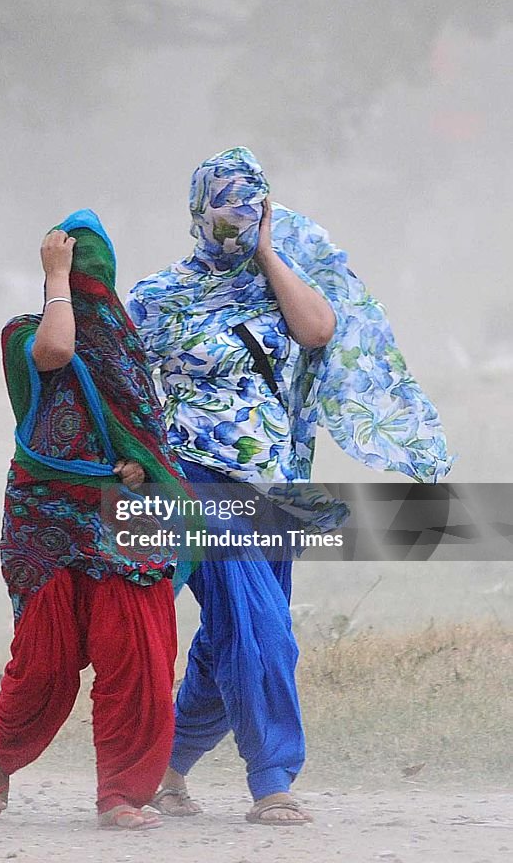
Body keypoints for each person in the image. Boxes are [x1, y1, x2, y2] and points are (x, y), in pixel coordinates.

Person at [126, 147, 453, 826]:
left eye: (253, 207)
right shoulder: (158, 299)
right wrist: (130, 461)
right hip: (193, 478)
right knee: (258, 626)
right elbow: (121, 388)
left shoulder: (280, 285)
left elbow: (318, 330)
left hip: (275, 485)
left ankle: (166, 769)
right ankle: (271, 779)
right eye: (227, 207)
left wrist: (270, 255)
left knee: (230, 634)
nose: (238, 221)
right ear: (198, 212)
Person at [0, 209, 195, 831]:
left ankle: (122, 795)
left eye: (93, 279)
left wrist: (136, 472)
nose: (88, 291)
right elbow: (58, 349)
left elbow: (145, 438)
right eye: (76, 277)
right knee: (44, 667)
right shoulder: (22, 335)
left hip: (121, 522)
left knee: (140, 661)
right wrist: (57, 280)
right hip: (47, 522)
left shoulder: (125, 348)